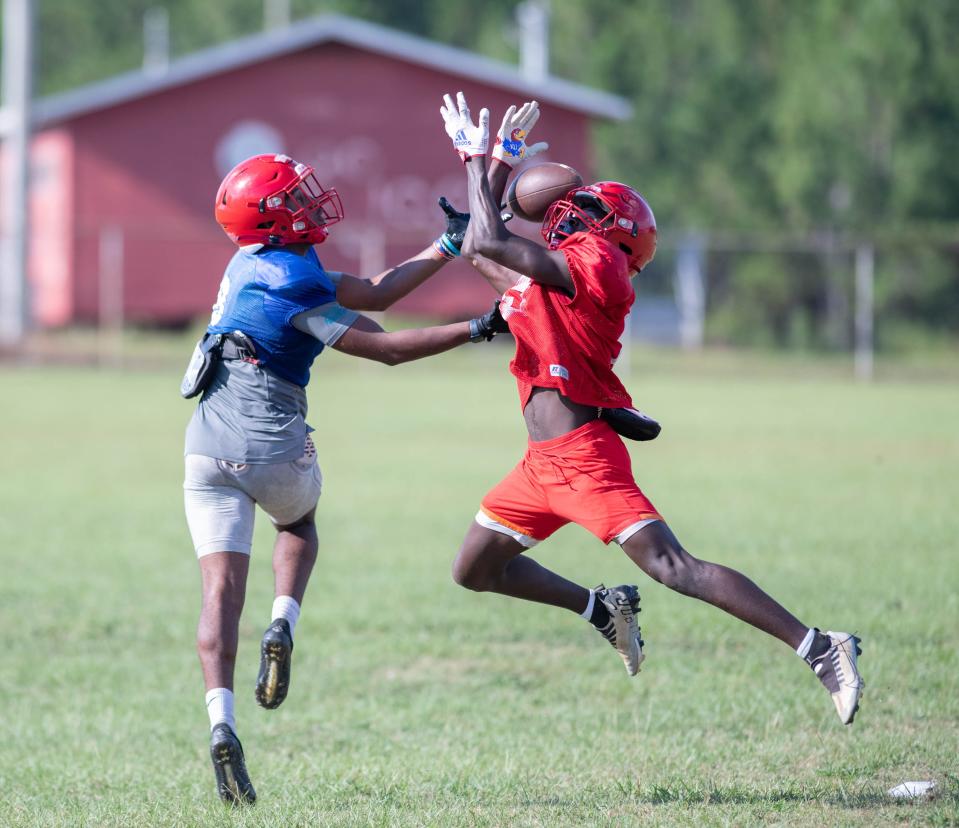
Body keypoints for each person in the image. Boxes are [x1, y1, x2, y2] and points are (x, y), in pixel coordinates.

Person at [439, 92, 864, 727]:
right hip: (539, 464)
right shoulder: (565, 273)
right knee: (474, 570)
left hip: (584, 460)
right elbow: (479, 245)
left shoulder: (597, 265)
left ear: (608, 231)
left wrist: (483, 158)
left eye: (582, 212)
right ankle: (602, 611)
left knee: (674, 567)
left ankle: (820, 647)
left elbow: (489, 238)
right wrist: (500, 163)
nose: (565, 215)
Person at [182, 152, 506, 805]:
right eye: (294, 198)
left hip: (203, 450)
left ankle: (221, 723)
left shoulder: (248, 263)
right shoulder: (298, 282)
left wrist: (445, 244)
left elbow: (375, 290)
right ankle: (283, 623)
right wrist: (478, 328)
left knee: (218, 591)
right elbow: (383, 345)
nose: (310, 202)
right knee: (298, 523)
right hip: (270, 446)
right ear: (271, 220)